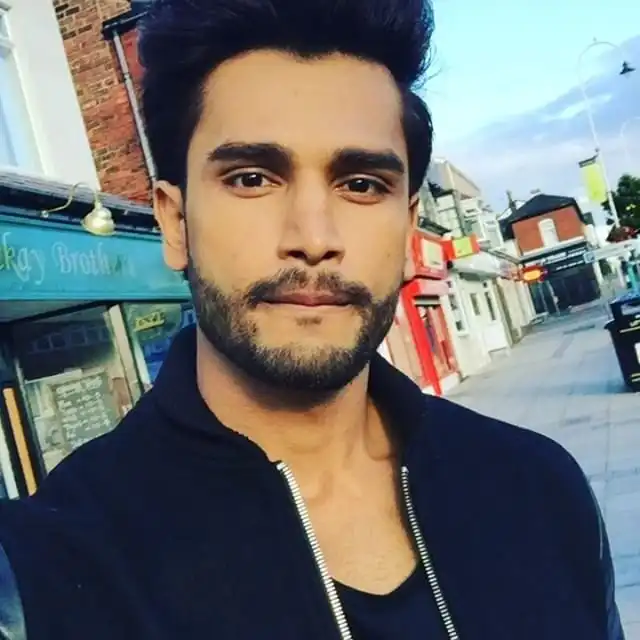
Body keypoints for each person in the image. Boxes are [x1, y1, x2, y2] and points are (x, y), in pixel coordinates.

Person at [0, 0, 624, 638]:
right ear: (175, 222)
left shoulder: (539, 490)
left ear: (409, 230)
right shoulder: (43, 582)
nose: (314, 237)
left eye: (361, 185)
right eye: (251, 179)